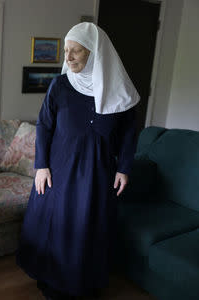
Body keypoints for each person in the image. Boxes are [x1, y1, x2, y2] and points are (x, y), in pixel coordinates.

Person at [16, 22, 139, 300]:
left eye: (76, 51)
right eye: (66, 51)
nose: (68, 58)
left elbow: (130, 131)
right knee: (56, 227)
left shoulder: (119, 90)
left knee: (89, 229)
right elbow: (43, 126)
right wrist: (41, 165)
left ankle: (84, 283)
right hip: (58, 172)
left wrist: (124, 167)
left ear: (95, 53)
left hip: (98, 174)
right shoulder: (60, 86)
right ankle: (52, 282)